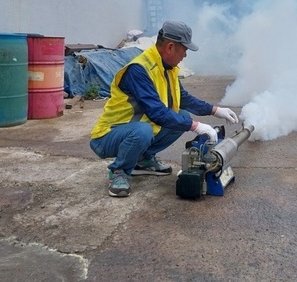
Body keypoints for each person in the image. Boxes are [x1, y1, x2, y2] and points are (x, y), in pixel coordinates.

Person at [89, 20, 239, 197]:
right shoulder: (139, 69)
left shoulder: (167, 68)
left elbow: (182, 98)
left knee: (181, 115)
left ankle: (142, 161)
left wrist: (214, 110)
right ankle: (119, 172)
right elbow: (157, 112)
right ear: (170, 47)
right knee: (146, 130)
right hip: (109, 135)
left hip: (134, 130)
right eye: (184, 49)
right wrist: (196, 126)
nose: (185, 55)